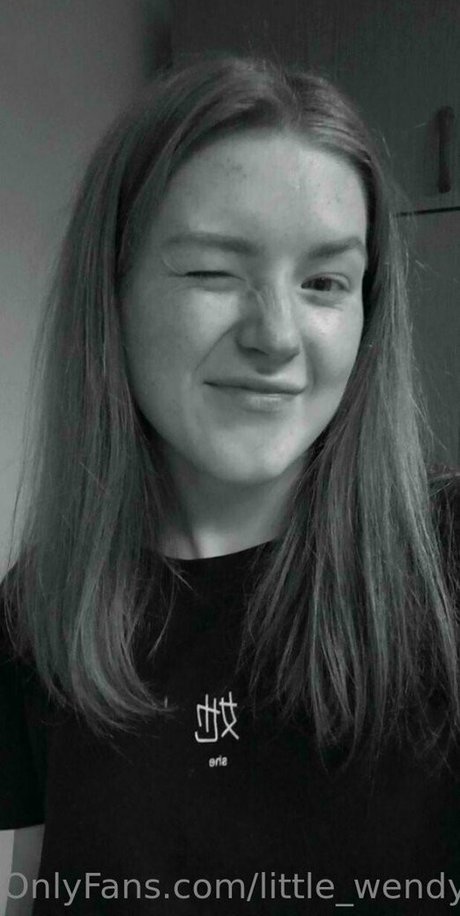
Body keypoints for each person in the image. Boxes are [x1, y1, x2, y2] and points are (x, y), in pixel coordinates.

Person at [0, 51, 459, 916]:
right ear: (111, 292)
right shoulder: (38, 613)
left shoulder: (449, 561)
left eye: (325, 282)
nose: (277, 336)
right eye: (213, 271)